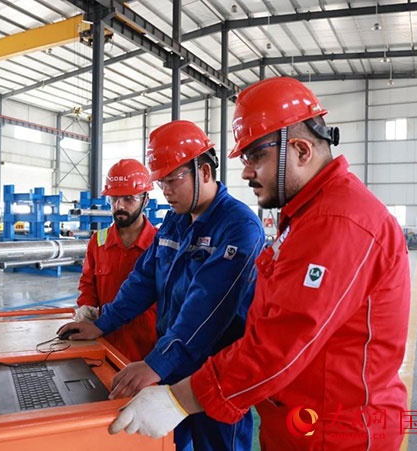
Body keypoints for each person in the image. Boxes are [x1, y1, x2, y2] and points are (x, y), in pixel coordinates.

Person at [107, 77, 411, 450]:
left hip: (335, 431)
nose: (246, 172)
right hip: (297, 419)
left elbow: (280, 342)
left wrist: (180, 398)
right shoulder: (306, 217)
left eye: (255, 156)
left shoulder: (337, 222)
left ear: (301, 150)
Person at [58, 120, 265, 451]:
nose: (165, 190)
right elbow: (143, 280)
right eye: (160, 181)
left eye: (171, 179)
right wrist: (102, 323)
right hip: (173, 363)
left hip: (214, 374)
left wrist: (157, 363)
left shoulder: (239, 227)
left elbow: (207, 306)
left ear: (204, 172)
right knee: (166, 444)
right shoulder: (176, 222)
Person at [74, 159, 158, 362]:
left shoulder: (160, 244)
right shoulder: (98, 241)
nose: (119, 206)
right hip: (104, 342)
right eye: (113, 199)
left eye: (128, 199)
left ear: (146, 200)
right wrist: (87, 309)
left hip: (148, 352)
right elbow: (88, 284)